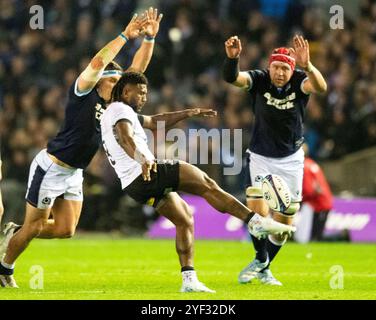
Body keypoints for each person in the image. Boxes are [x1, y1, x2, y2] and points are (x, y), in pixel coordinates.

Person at [0, 8, 163, 288]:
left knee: (66, 230)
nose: (120, 85)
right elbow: (100, 60)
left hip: (74, 172)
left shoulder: (114, 105)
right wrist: (126, 35)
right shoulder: (83, 91)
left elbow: (137, 71)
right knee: (36, 225)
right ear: (102, 79)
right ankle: (5, 268)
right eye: (114, 79)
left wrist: (148, 39)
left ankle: (14, 231)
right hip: (52, 166)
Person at [100, 71, 296, 293]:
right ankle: (254, 221)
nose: (145, 97)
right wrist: (142, 158)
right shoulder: (119, 110)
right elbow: (124, 137)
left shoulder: (116, 112)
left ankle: (189, 280)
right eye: (141, 93)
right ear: (126, 92)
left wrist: (187, 113)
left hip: (134, 185)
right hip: (147, 171)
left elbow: (155, 122)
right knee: (207, 184)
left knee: (184, 219)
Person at [223, 35, 327, 285]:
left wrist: (308, 66)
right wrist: (232, 59)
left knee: (284, 225)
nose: (280, 72)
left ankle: (264, 266)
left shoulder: (301, 81)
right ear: (269, 67)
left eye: (285, 68)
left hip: (291, 159)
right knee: (258, 214)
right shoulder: (259, 80)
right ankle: (261, 259)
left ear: (292, 70)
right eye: (276, 67)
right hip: (260, 156)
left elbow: (321, 88)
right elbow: (233, 78)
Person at [301, 153, 333, 242]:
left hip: (320, 203)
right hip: (323, 200)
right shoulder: (311, 163)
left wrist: (301, 199)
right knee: (316, 230)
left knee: (317, 233)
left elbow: (308, 189)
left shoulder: (304, 166)